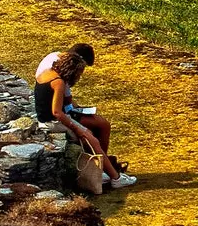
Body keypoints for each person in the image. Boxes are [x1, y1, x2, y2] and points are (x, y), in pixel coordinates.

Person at [33, 48, 137, 189]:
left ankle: (104, 171)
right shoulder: (58, 82)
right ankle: (116, 179)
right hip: (52, 123)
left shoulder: (46, 74)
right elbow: (57, 112)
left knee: (90, 135)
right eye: (78, 74)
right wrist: (78, 129)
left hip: (47, 120)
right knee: (91, 139)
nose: (78, 78)